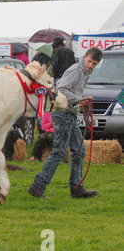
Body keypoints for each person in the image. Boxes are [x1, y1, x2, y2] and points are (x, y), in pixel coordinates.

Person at [28, 47, 103, 199]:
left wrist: (78, 101)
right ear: (84, 57)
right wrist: (80, 99)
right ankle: (38, 186)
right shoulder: (76, 70)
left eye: (94, 64)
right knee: (60, 151)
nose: (90, 65)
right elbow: (61, 89)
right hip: (63, 113)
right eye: (89, 61)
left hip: (70, 113)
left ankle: (77, 188)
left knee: (79, 150)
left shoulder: (85, 71)